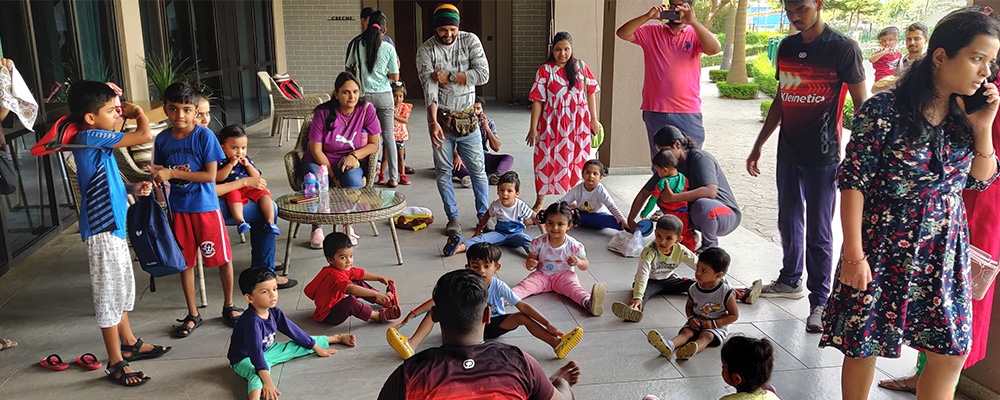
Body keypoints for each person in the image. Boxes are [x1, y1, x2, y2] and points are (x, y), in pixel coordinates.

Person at [819, 7, 1000, 400]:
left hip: (944, 247)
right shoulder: (883, 110)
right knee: (864, 341)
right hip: (883, 242)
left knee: (950, 351)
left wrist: (983, 127)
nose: (986, 72)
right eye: (977, 58)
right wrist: (853, 255)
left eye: (991, 62)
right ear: (940, 57)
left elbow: (980, 180)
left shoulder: (964, 116)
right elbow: (853, 181)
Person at [747, 0, 868, 333]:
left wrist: (859, 157)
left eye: (801, 8)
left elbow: (863, 108)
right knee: (788, 221)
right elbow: (782, 99)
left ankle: (820, 302)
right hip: (788, 152)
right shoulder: (787, 47)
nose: (795, 16)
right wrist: (759, 144)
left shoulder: (842, 48)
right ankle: (789, 279)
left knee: (819, 230)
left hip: (823, 157)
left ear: (818, 4)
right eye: (790, 10)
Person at [879, 75, 1000, 397]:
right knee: (926, 310)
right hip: (936, 209)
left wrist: (983, 126)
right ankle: (923, 374)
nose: (982, 66)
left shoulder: (984, 94)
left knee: (957, 324)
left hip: (979, 207)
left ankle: (937, 376)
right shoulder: (974, 86)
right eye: (978, 58)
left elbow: (985, 173)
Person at [64, 80, 169, 386]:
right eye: (111, 110)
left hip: (113, 226)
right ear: (90, 117)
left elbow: (103, 184)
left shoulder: (99, 142)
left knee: (120, 287)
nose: (117, 114)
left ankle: (129, 343)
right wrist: (137, 109)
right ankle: (115, 362)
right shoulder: (91, 136)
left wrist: (131, 188)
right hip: (101, 229)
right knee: (109, 295)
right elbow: (144, 134)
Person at [378, 269, 581, 400]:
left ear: (435, 316)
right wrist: (560, 382)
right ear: (487, 314)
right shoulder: (520, 363)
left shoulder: (408, 375)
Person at [151, 82, 242, 336]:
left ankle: (229, 304)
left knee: (222, 257)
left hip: (205, 207)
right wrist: (159, 179)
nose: (180, 115)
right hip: (178, 210)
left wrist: (172, 173)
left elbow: (211, 176)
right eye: (173, 109)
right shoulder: (162, 139)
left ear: (195, 111)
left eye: (186, 109)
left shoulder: (205, 136)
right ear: (165, 110)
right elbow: (160, 172)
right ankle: (193, 313)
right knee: (185, 262)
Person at [389, 243, 584, 360]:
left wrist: (548, 324)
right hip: (467, 324)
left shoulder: (499, 286)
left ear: (496, 267)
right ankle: (411, 345)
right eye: (475, 266)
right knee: (437, 310)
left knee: (521, 317)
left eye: (486, 266)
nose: (481, 271)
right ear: (467, 267)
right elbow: (435, 300)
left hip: (492, 324)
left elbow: (522, 305)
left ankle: (556, 343)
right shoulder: (464, 282)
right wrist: (410, 316)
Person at [416, 3, 491, 236]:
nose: (448, 34)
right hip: (442, 118)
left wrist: (450, 76)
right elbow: (430, 89)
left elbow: (483, 74)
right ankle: (453, 218)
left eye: (452, 29)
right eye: (442, 30)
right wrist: (433, 123)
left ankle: (484, 215)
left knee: (478, 170)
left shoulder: (470, 41)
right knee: (443, 171)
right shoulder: (426, 51)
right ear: (435, 29)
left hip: (468, 117)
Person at [228, 267, 356, 400]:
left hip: (267, 350)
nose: (273, 295)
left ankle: (334, 338)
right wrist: (268, 382)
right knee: (256, 374)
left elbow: (294, 332)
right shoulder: (251, 322)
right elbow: (255, 355)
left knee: (299, 344)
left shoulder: (274, 311)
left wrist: (318, 349)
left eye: (275, 289)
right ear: (249, 298)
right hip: (244, 359)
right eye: (265, 291)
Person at [616, 0, 722, 157]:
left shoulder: (695, 34)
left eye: (681, 6)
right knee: (661, 162)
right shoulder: (652, 32)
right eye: (672, 5)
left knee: (692, 160)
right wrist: (648, 16)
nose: (675, 9)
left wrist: (693, 22)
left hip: (687, 110)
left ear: (689, 9)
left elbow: (714, 49)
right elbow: (622, 33)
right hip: (656, 110)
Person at [613, 216, 761, 323]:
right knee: (642, 294)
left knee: (703, 284)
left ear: (678, 240)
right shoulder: (649, 251)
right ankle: (634, 310)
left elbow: (701, 267)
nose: (662, 241)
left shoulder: (681, 251)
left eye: (668, 238)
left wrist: (724, 284)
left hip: (670, 280)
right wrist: (638, 296)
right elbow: (642, 275)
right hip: (650, 282)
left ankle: (743, 294)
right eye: (658, 236)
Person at [627, 125, 741, 250]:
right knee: (663, 199)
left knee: (701, 204)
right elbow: (645, 192)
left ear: (677, 144)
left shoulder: (701, 158)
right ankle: (688, 234)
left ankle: (709, 246)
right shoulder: (669, 167)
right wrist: (631, 219)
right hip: (700, 214)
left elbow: (711, 191)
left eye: (665, 150)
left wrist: (673, 197)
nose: (663, 155)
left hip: (725, 215)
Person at [303, 72, 381, 248]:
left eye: (355, 91)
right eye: (346, 92)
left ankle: (348, 224)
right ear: (336, 93)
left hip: (348, 159)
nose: (352, 96)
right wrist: (332, 175)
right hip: (319, 160)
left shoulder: (366, 109)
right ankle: (317, 227)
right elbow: (316, 150)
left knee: (353, 180)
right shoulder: (322, 113)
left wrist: (354, 156)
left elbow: (374, 144)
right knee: (315, 181)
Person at [526, 31, 600, 212]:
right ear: (552, 50)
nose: (562, 54)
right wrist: (533, 128)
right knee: (544, 159)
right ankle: (540, 200)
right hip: (551, 125)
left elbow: (591, 93)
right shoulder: (545, 70)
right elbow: (537, 101)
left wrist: (593, 119)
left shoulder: (580, 67)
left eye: (566, 49)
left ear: (572, 49)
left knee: (576, 161)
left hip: (578, 125)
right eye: (558, 49)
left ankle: (573, 199)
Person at [512, 202, 606, 316]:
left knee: (574, 289)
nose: (554, 228)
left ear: (569, 225)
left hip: (564, 276)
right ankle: (502, 299)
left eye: (560, 224)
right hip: (542, 275)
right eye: (550, 223)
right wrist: (530, 264)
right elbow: (530, 261)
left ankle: (588, 303)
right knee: (525, 286)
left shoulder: (573, 245)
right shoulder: (538, 242)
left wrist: (579, 261)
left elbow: (585, 265)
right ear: (545, 223)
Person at [646, 247, 739, 360]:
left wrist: (714, 323)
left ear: (718, 275)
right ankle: (670, 345)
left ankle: (692, 350)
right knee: (686, 332)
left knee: (706, 336)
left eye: (704, 270)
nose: (698, 272)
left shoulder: (725, 292)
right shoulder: (694, 288)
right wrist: (690, 318)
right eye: (698, 267)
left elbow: (734, 315)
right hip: (696, 322)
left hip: (716, 327)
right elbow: (689, 306)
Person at [346, 11, 401, 187]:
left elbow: (348, 70)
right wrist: (384, 73)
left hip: (365, 97)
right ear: (384, 30)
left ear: (368, 25)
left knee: (367, 138)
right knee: (389, 137)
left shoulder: (356, 44)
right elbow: (395, 76)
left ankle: (368, 176)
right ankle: (393, 177)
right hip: (385, 96)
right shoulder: (388, 48)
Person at [303, 232, 400, 325]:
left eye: (351, 256)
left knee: (357, 281)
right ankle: (378, 316)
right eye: (343, 258)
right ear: (330, 260)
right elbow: (351, 289)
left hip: (337, 301)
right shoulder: (334, 276)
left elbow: (360, 274)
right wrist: (375, 293)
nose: (349, 261)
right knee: (349, 302)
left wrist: (379, 278)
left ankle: (382, 301)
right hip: (329, 315)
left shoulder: (341, 268)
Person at [443, 171, 536, 256]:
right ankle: (456, 248)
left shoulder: (520, 206)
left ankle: (535, 256)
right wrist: (480, 228)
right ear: (497, 191)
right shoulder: (495, 205)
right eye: (501, 190)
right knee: (481, 239)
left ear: (517, 193)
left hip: (517, 234)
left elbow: (535, 216)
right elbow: (487, 214)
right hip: (499, 234)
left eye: (509, 191)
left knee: (527, 240)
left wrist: (544, 233)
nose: (505, 194)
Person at [216, 124, 280, 236]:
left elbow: (256, 177)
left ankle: (270, 222)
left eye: (243, 148)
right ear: (223, 148)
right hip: (231, 189)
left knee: (264, 194)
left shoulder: (246, 160)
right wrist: (231, 164)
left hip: (248, 188)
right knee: (234, 196)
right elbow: (219, 177)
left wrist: (248, 166)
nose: (240, 152)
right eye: (234, 148)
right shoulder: (221, 162)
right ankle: (240, 221)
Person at [454, 96, 515, 187]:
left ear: (482, 110)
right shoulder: (459, 121)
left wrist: (487, 129)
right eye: (472, 108)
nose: (475, 111)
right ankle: (467, 177)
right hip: (464, 157)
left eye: (478, 108)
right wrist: (456, 156)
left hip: (482, 156)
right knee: (450, 162)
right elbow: (452, 142)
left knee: (508, 158)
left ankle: (496, 176)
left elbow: (496, 148)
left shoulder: (489, 122)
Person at [643, 149, 696, 250]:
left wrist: (645, 212)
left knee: (665, 234)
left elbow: (653, 199)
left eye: (658, 170)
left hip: (669, 214)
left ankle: (665, 250)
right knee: (685, 232)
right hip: (683, 213)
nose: (658, 174)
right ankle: (690, 251)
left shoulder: (662, 182)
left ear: (665, 170)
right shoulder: (684, 179)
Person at [559, 159, 628, 231]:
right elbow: (562, 202)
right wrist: (549, 211)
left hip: (598, 217)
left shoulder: (600, 190)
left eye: (595, 174)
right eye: (588, 172)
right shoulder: (578, 188)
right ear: (583, 174)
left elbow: (611, 206)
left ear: (600, 177)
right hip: (580, 216)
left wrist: (622, 220)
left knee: (616, 221)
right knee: (564, 212)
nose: (591, 176)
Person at [873, 22, 929, 93]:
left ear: (926, 41)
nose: (912, 43)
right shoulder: (898, 61)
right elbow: (874, 89)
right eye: (909, 39)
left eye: (916, 39)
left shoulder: (928, 64)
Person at [390, 81, 412, 185]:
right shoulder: (388, 107)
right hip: (390, 135)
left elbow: (405, 120)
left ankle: (402, 175)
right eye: (395, 96)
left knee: (400, 156)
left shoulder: (404, 107)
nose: (397, 99)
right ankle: (382, 175)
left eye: (400, 96)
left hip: (400, 135)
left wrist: (394, 116)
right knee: (387, 156)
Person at [868, 26, 901, 93]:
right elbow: (871, 59)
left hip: (892, 78)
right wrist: (883, 52)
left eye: (891, 40)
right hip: (882, 79)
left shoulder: (898, 54)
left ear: (896, 41)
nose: (887, 43)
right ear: (880, 43)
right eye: (884, 41)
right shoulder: (880, 53)